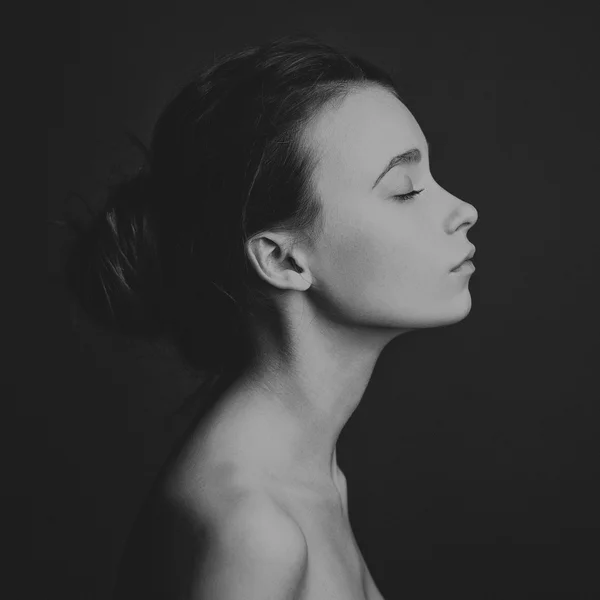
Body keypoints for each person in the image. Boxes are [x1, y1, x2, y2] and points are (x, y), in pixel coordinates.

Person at [61, 33, 478, 600]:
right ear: (282, 258)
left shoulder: (314, 476)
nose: (462, 210)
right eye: (405, 190)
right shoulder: (254, 531)